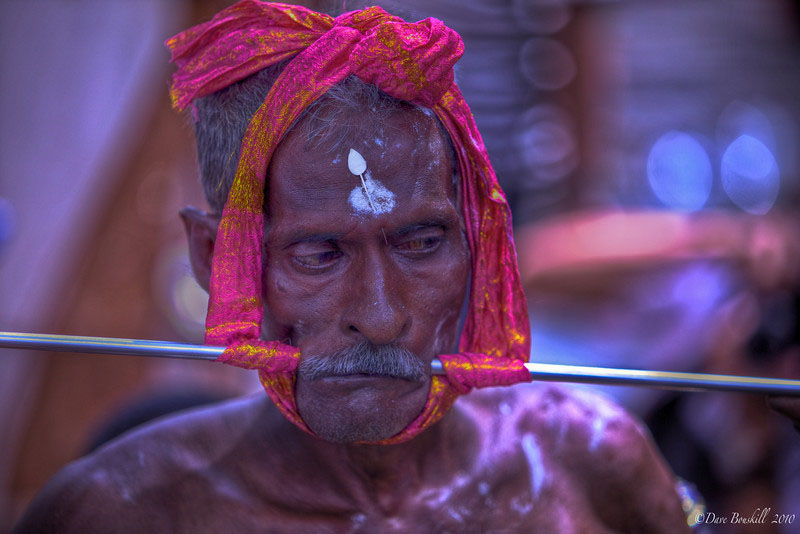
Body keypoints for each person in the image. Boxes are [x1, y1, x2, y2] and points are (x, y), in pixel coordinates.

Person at [14, 2, 690, 532]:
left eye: (422, 243)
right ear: (220, 262)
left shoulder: (589, 470)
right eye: (318, 256)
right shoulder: (124, 514)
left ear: (479, 246)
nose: (380, 314)